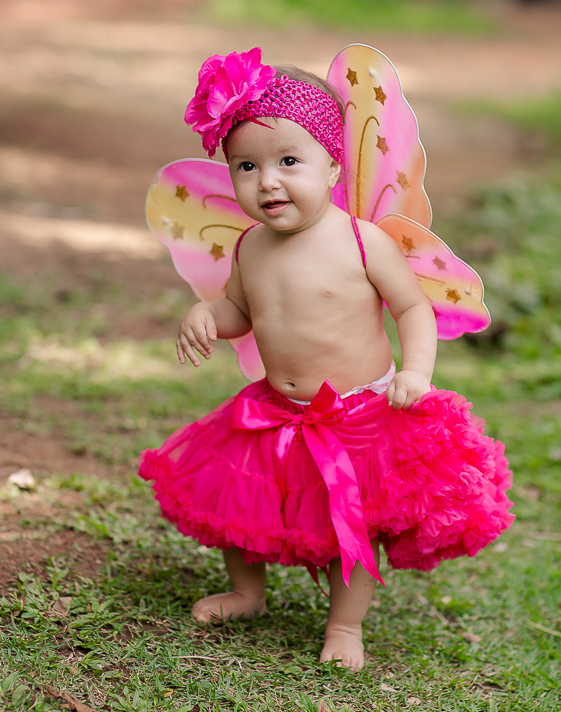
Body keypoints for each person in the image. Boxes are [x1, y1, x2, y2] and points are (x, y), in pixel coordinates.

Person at [138, 50, 513, 670]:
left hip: (358, 415)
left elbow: (413, 310)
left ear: (333, 163)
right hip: (274, 411)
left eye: (290, 161)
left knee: (350, 525)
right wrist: (207, 315)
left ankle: (345, 626)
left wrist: (416, 372)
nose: (269, 182)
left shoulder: (364, 243)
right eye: (247, 166)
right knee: (239, 508)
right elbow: (240, 310)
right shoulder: (252, 246)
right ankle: (246, 592)